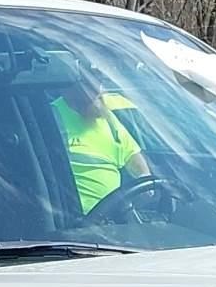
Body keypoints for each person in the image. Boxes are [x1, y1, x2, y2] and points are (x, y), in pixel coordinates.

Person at [50, 82, 149, 214]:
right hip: (75, 220)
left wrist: (144, 178)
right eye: (89, 83)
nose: (99, 90)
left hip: (114, 218)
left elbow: (131, 154)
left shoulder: (107, 117)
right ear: (70, 87)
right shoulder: (53, 117)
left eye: (100, 83)